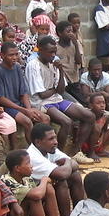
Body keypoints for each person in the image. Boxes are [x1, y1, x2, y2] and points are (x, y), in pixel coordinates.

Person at [25, 36, 95, 164]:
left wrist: (61, 71)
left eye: (54, 52)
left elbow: (61, 90)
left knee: (89, 115)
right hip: (41, 103)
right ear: (40, 51)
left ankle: (75, 151)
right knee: (66, 122)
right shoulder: (33, 65)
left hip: (56, 99)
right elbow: (42, 95)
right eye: (50, 52)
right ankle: (58, 156)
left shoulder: (55, 63)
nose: (53, 55)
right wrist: (55, 89)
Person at [26, 123, 84, 216]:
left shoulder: (49, 149)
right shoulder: (33, 156)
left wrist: (67, 163)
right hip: (34, 198)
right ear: (38, 142)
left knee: (75, 175)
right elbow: (62, 173)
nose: (56, 142)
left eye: (55, 138)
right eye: (51, 139)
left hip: (46, 190)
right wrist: (67, 162)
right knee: (61, 181)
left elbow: (75, 165)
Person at [0, 42, 51, 145]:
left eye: (16, 54)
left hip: (19, 104)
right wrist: (24, 110)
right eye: (11, 55)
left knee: (45, 118)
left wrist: (28, 109)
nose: (14, 57)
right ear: (2, 55)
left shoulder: (17, 67)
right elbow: (1, 98)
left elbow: (23, 92)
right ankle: (33, 150)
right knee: (27, 122)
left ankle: (43, 147)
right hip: (7, 106)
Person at [0, 149, 60, 216]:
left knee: (48, 188)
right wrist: (44, 180)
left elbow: (41, 192)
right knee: (33, 198)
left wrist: (46, 184)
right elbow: (37, 195)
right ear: (17, 168)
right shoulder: (6, 181)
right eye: (28, 163)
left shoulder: (26, 179)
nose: (31, 166)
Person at [84, 92, 109, 161]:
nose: (102, 105)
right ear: (91, 105)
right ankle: (91, 153)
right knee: (97, 127)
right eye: (98, 103)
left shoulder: (106, 115)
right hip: (85, 143)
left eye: (103, 103)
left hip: (97, 142)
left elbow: (104, 129)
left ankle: (100, 151)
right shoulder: (86, 114)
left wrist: (101, 138)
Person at [55, 20, 84, 99]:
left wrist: (76, 45)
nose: (71, 33)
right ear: (60, 33)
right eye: (68, 31)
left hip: (75, 80)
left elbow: (79, 62)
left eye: (71, 31)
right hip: (64, 82)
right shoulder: (56, 48)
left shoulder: (75, 44)